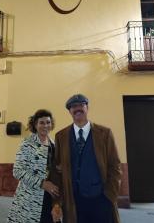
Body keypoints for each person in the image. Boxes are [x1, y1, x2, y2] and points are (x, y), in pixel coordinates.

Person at [51, 94, 122, 223]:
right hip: (73, 200)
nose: (77, 109)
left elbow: (115, 166)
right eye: (73, 106)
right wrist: (57, 202)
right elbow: (57, 171)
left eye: (81, 105)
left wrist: (110, 196)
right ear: (69, 111)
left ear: (87, 108)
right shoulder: (61, 136)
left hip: (101, 198)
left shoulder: (105, 134)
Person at [7, 109, 59, 223]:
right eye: (41, 122)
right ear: (35, 125)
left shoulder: (53, 144)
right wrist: (42, 183)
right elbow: (17, 171)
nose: (45, 125)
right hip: (31, 196)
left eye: (48, 122)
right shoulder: (27, 143)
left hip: (50, 194)